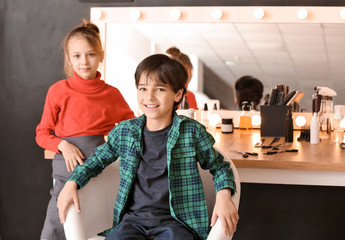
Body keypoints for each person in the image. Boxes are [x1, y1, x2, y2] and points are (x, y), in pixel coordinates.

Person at [57, 54, 239, 240]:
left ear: (178, 94)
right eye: (142, 88)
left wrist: (224, 196)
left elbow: (221, 167)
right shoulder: (125, 132)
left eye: (159, 89)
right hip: (132, 223)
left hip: (176, 224)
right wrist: (72, 182)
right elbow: (96, 161)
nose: (149, 97)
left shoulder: (191, 132)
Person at [36, 20, 135, 240]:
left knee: (92, 227)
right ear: (69, 58)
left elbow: (132, 129)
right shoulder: (58, 91)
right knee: (57, 224)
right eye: (77, 56)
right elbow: (42, 133)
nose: (84, 62)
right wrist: (63, 145)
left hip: (99, 172)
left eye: (90, 54)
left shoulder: (112, 94)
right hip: (65, 171)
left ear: (100, 55)